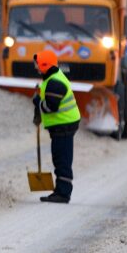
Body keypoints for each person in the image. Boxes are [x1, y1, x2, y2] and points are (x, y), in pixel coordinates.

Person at [32, 48, 80, 203]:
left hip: (64, 125)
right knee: (60, 157)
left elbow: (51, 107)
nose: (36, 67)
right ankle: (60, 190)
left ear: (45, 65)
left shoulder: (55, 82)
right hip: (62, 125)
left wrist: (38, 103)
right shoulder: (50, 79)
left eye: (38, 64)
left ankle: (63, 193)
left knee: (62, 159)